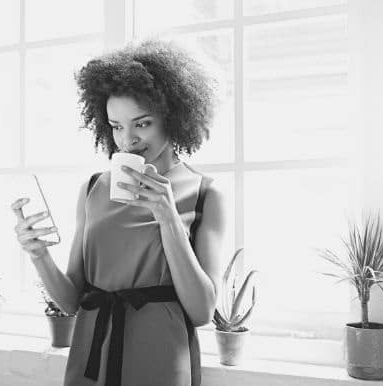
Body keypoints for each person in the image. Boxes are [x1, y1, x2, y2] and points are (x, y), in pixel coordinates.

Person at [11, 38, 226, 386]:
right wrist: (38, 255)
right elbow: (70, 302)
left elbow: (201, 312)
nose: (128, 140)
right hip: (91, 356)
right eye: (116, 126)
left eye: (142, 123)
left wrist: (168, 217)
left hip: (160, 358)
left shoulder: (205, 194)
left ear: (173, 116)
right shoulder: (93, 188)